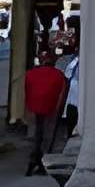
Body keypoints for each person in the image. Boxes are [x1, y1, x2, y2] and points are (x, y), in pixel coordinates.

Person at [23, 43, 68, 175]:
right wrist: (58, 110)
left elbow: (27, 91)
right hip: (50, 108)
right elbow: (62, 94)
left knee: (36, 135)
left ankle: (34, 158)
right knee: (47, 136)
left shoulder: (30, 74)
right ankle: (41, 160)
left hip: (34, 108)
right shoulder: (59, 75)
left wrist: (27, 109)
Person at [57, 27, 81, 141]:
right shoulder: (76, 61)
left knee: (72, 122)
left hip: (74, 99)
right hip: (74, 100)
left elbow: (67, 73)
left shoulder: (75, 62)